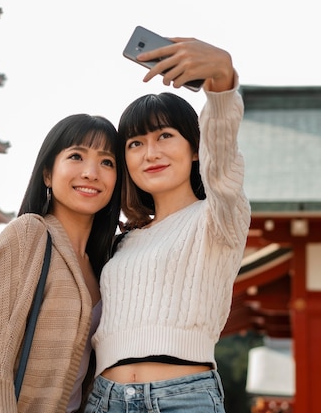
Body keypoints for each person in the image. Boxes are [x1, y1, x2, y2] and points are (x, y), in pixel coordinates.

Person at [85, 37, 251, 413]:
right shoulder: (120, 243)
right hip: (104, 400)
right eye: (135, 143)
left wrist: (222, 81)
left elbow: (223, 165)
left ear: (195, 148)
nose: (151, 153)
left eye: (164, 136)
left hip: (184, 398)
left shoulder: (218, 219)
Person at [0, 114, 123, 413]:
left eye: (107, 162)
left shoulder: (105, 265)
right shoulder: (29, 235)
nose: (92, 172)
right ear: (48, 175)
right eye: (76, 156)